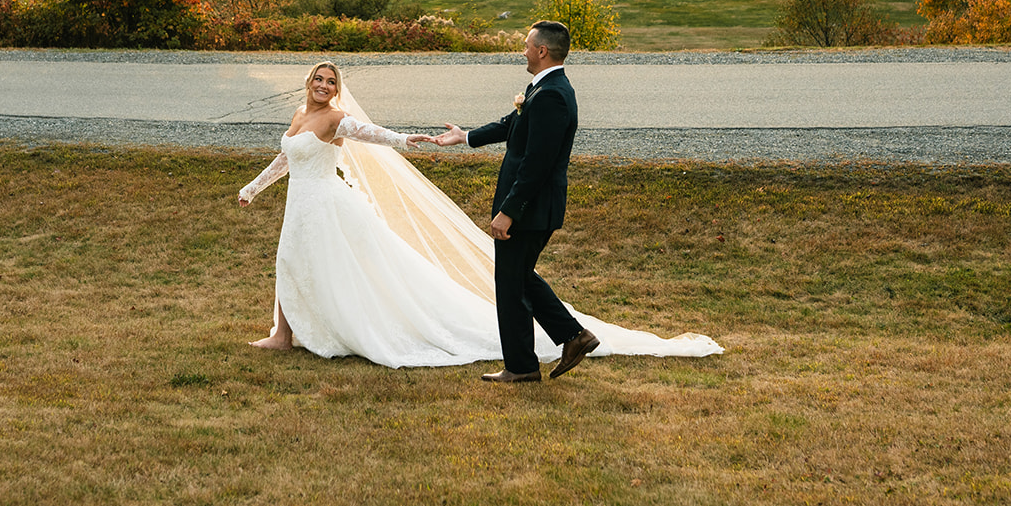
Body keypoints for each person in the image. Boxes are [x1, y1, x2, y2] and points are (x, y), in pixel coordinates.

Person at [238, 56, 724, 374]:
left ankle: (542, 350)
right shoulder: (300, 118)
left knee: (507, 280)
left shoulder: (337, 119)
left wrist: (414, 140)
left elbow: (373, 134)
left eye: (331, 81)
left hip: (331, 203)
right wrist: (252, 188)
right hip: (299, 202)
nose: (323, 86)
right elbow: (286, 158)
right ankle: (284, 333)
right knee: (289, 261)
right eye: (318, 79)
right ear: (307, 83)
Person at [430, 20, 593, 383]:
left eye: (526, 44)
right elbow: (511, 124)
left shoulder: (552, 95)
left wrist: (509, 211)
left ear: (542, 51)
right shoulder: (544, 88)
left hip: (530, 210)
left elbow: (537, 163)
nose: (522, 50)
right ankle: (570, 338)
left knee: (511, 282)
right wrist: (465, 136)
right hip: (531, 208)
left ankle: (529, 362)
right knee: (516, 279)